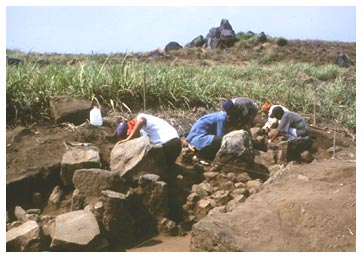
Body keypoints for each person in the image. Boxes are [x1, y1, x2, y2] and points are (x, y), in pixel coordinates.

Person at [116, 113, 181, 165]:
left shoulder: (140, 117)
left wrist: (128, 138)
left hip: (170, 142)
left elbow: (141, 121)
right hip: (173, 145)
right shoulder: (143, 132)